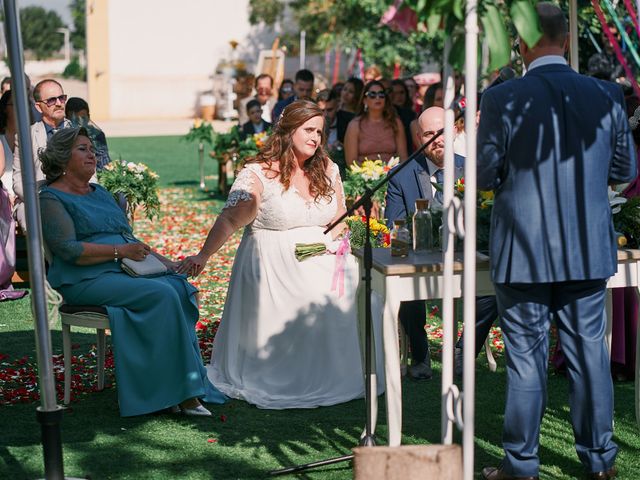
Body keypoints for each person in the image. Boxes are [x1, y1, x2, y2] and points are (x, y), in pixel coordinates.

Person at [477, 4, 635, 479]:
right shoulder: (607, 94)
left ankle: (521, 466)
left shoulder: (503, 96)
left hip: (521, 249)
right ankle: (601, 463)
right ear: (567, 40)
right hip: (586, 246)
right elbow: (626, 171)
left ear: (521, 43)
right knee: (590, 356)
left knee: (525, 361)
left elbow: (483, 172)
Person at [178, 100, 383, 409]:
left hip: (324, 256)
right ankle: (293, 375)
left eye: (320, 132)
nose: (316, 138)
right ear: (288, 131)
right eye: (309, 130)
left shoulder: (328, 168)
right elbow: (230, 219)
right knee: (315, 290)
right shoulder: (258, 173)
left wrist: (339, 238)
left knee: (366, 287)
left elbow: (339, 214)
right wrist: (203, 256)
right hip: (273, 261)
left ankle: (345, 372)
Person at [39, 127, 226, 417]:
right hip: (84, 278)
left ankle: (180, 381)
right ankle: (183, 394)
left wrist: (168, 264)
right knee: (160, 293)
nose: (92, 154)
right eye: (82, 149)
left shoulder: (99, 192)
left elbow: (129, 240)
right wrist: (118, 253)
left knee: (178, 286)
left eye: (91, 148)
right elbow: (69, 250)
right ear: (63, 158)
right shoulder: (50, 198)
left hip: (123, 269)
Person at [385, 106, 464, 379]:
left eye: (442, 132)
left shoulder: (474, 169)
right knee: (404, 284)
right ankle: (421, 356)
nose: (437, 139)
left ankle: (463, 351)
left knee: (494, 292)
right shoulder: (401, 175)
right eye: (429, 133)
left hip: (465, 255)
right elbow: (393, 222)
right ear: (419, 138)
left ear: (454, 131)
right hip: (420, 254)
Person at [13, 79, 72, 231]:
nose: (59, 103)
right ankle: (42, 254)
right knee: (30, 218)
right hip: (35, 199)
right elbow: (18, 179)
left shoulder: (77, 133)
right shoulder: (25, 136)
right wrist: (40, 198)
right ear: (39, 107)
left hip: (73, 196)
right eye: (52, 100)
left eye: (62, 98)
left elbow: (91, 173)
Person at [344, 80, 407, 167]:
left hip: (393, 175)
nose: (378, 98)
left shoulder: (396, 123)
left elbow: (403, 158)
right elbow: (351, 162)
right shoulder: (355, 125)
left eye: (381, 94)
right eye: (372, 95)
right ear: (365, 100)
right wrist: (372, 173)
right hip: (363, 177)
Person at [65, 96, 112, 171]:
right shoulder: (65, 136)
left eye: (83, 118)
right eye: (75, 120)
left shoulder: (97, 135)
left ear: (88, 117)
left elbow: (104, 164)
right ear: (67, 119)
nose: (80, 123)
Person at [336, 77, 364, 144]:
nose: (346, 94)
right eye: (344, 89)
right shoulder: (335, 109)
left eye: (351, 92)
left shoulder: (360, 116)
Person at [0, 90, 16, 196]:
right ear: (5, 108)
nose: (20, 108)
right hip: (4, 196)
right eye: (14, 104)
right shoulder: (0, 137)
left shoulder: (32, 135)